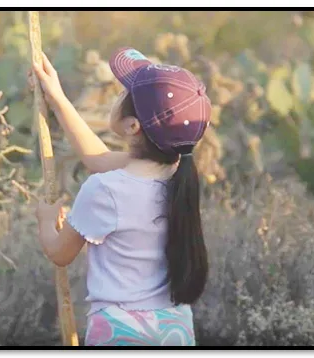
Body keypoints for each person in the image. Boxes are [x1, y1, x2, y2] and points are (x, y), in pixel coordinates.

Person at [31, 47, 210, 346]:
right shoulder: (177, 172)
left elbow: (60, 253)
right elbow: (97, 157)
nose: (117, 96)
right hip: (175, 327)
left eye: (124, 92)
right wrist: (57, 99)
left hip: (120, 331)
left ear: (132, 126)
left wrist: (46, 220)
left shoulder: (105, 189)